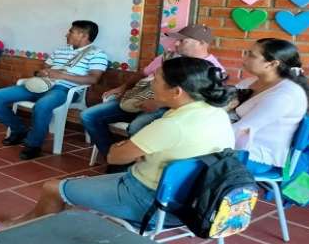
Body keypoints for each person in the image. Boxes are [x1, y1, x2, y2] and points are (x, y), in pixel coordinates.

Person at [0, 57, 235, 234]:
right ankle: (85, 198)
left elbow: (116, 156)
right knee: (85, 181)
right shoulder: (216, 113)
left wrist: (127, 147)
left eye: (155, 79)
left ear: (177, 91)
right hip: (192, 200)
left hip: (147, 200)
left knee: (53, 187)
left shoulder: (172, 125)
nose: (150, 83)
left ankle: (19, 230)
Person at [81, 24, 225, 170]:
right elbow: (143, 73)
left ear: (201, 43)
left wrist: (159, 104)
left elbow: (199, 102)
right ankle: (115, 159)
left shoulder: (212, 69)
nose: (176, 44)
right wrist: (122, 88)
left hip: (167, 107)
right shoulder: (169, 56)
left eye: (183, 41)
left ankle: (127, 166)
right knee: (89, 115)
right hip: (139, 98)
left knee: (138, 126)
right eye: (177, 40)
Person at [0, 21, 108, 160]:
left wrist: (61, 75)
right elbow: (41, 70)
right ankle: (19, 130)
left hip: (64, 90)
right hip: (41, 85)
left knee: (43, 105)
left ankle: (33, 145)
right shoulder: (60, 50)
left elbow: (93, 79)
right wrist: (41, 72)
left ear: (83, 35)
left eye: (71, 31)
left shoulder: (97, 54)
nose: (66, 34)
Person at [230, 38, 309, 173]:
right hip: (238, 146)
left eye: (251, 55)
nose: (245, 57)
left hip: (255, 157)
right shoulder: (251, 82)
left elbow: (243, 129)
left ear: (272, 64)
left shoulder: (285, 95)